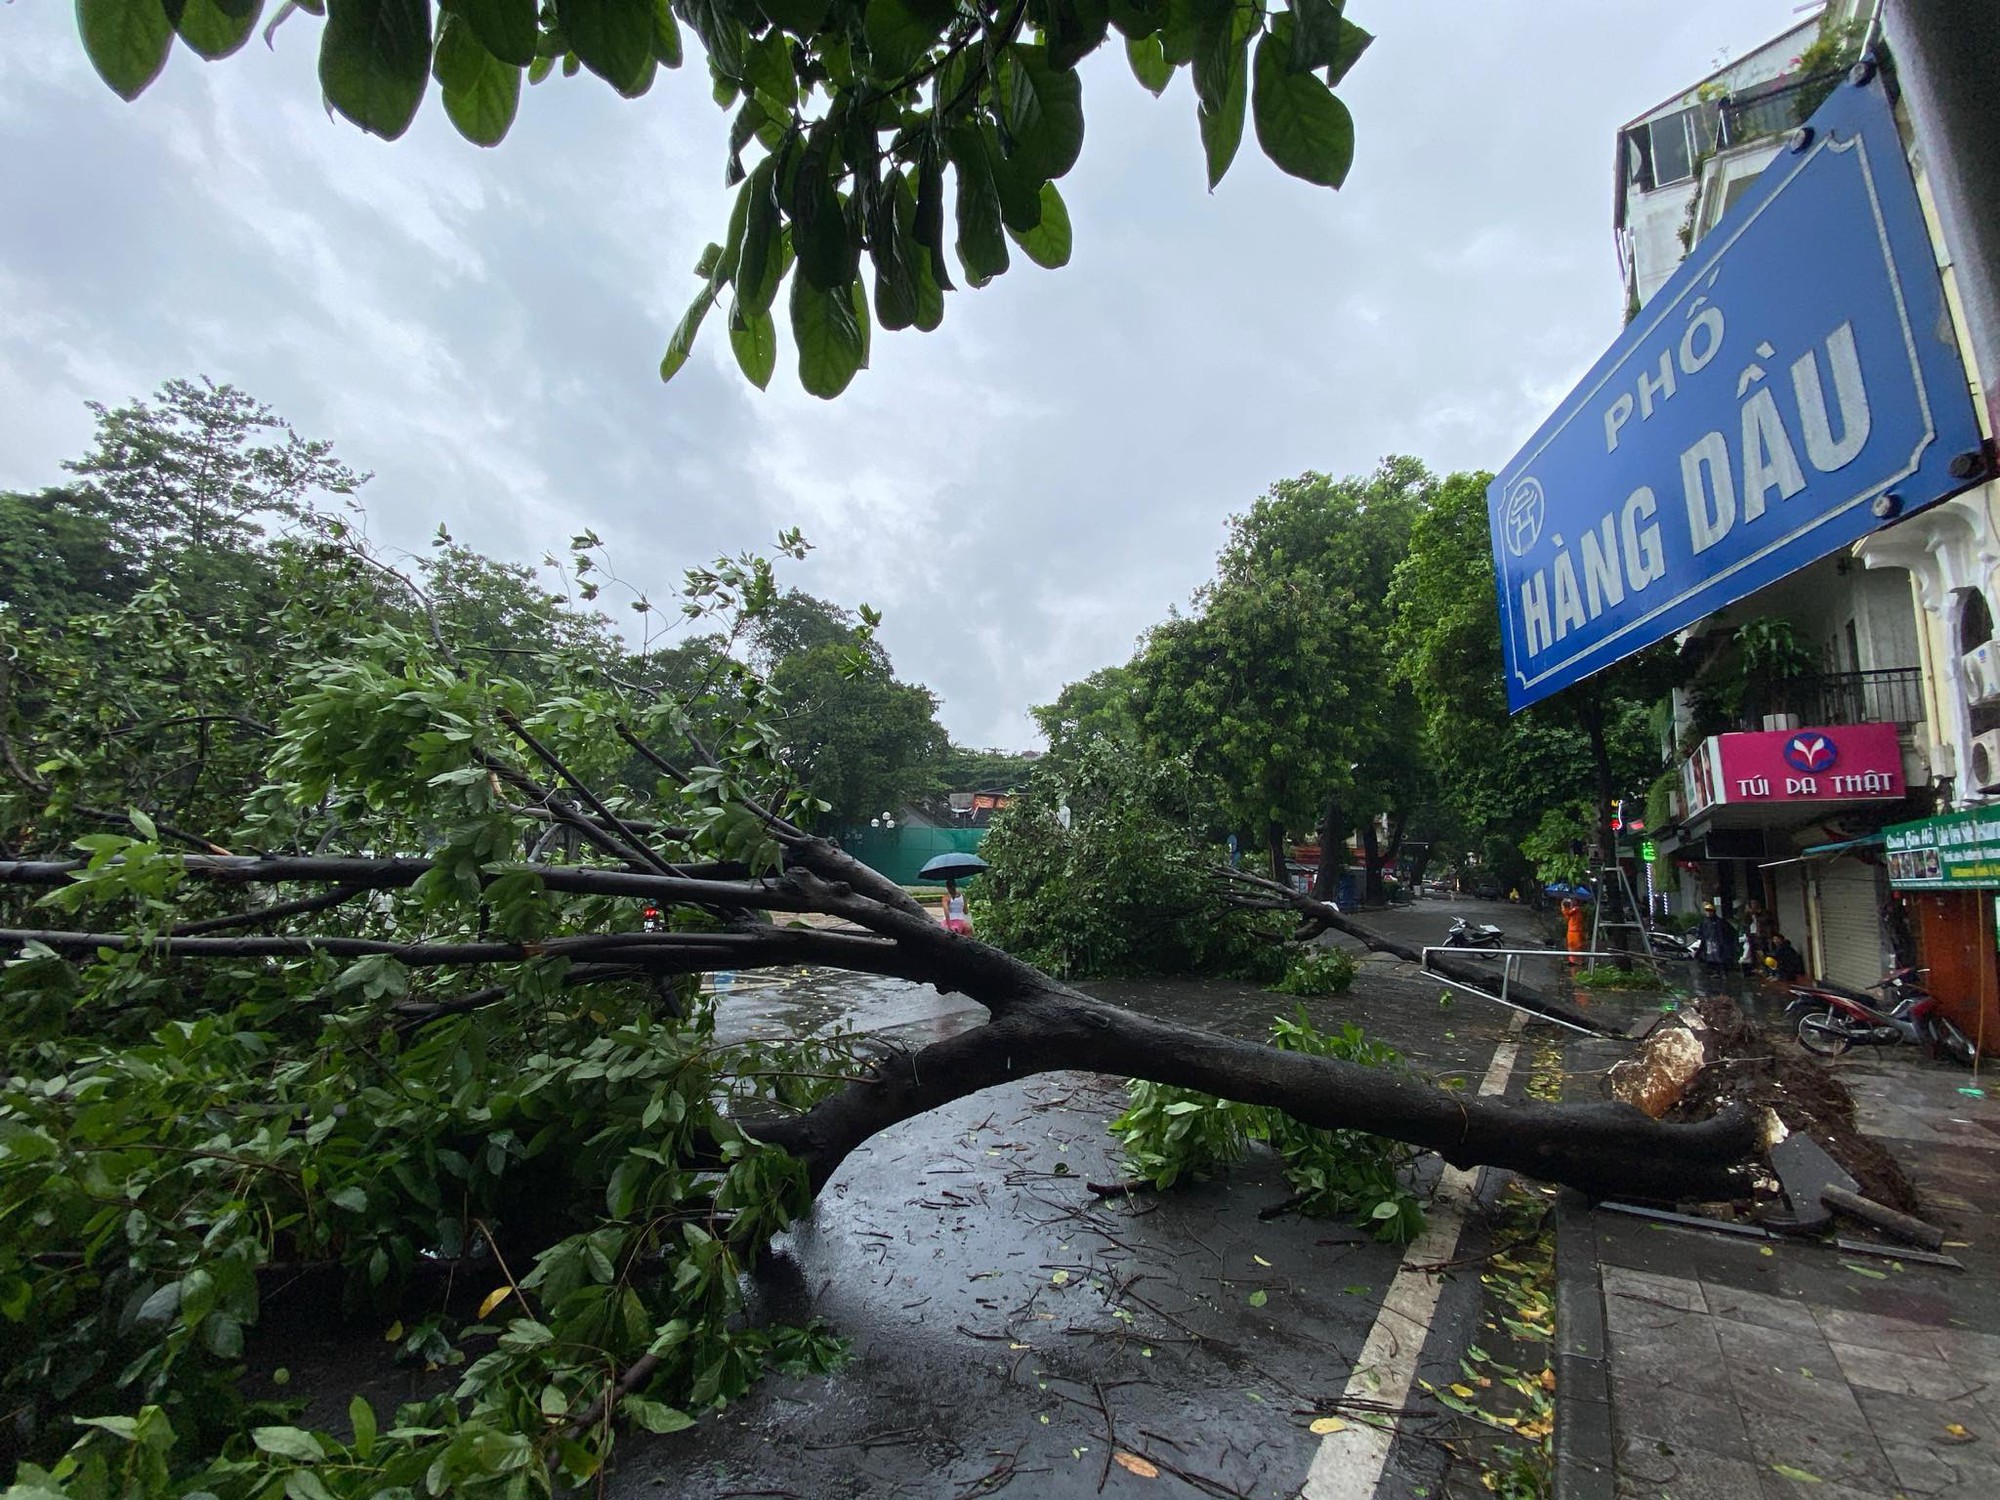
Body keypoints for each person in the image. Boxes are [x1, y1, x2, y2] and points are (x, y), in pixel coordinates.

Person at [1696, 900, 1737, 988]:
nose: (1708, 913)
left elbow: (1730, 932)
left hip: (1719, 943)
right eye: (1707, 911)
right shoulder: (1705, 922)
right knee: (1711, 958)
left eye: (1710, 911)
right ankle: (1716, 972)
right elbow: (1702, 932)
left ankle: (1723, 973)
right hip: (1709, 943)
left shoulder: (1720, 922)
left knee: (1720, 958)